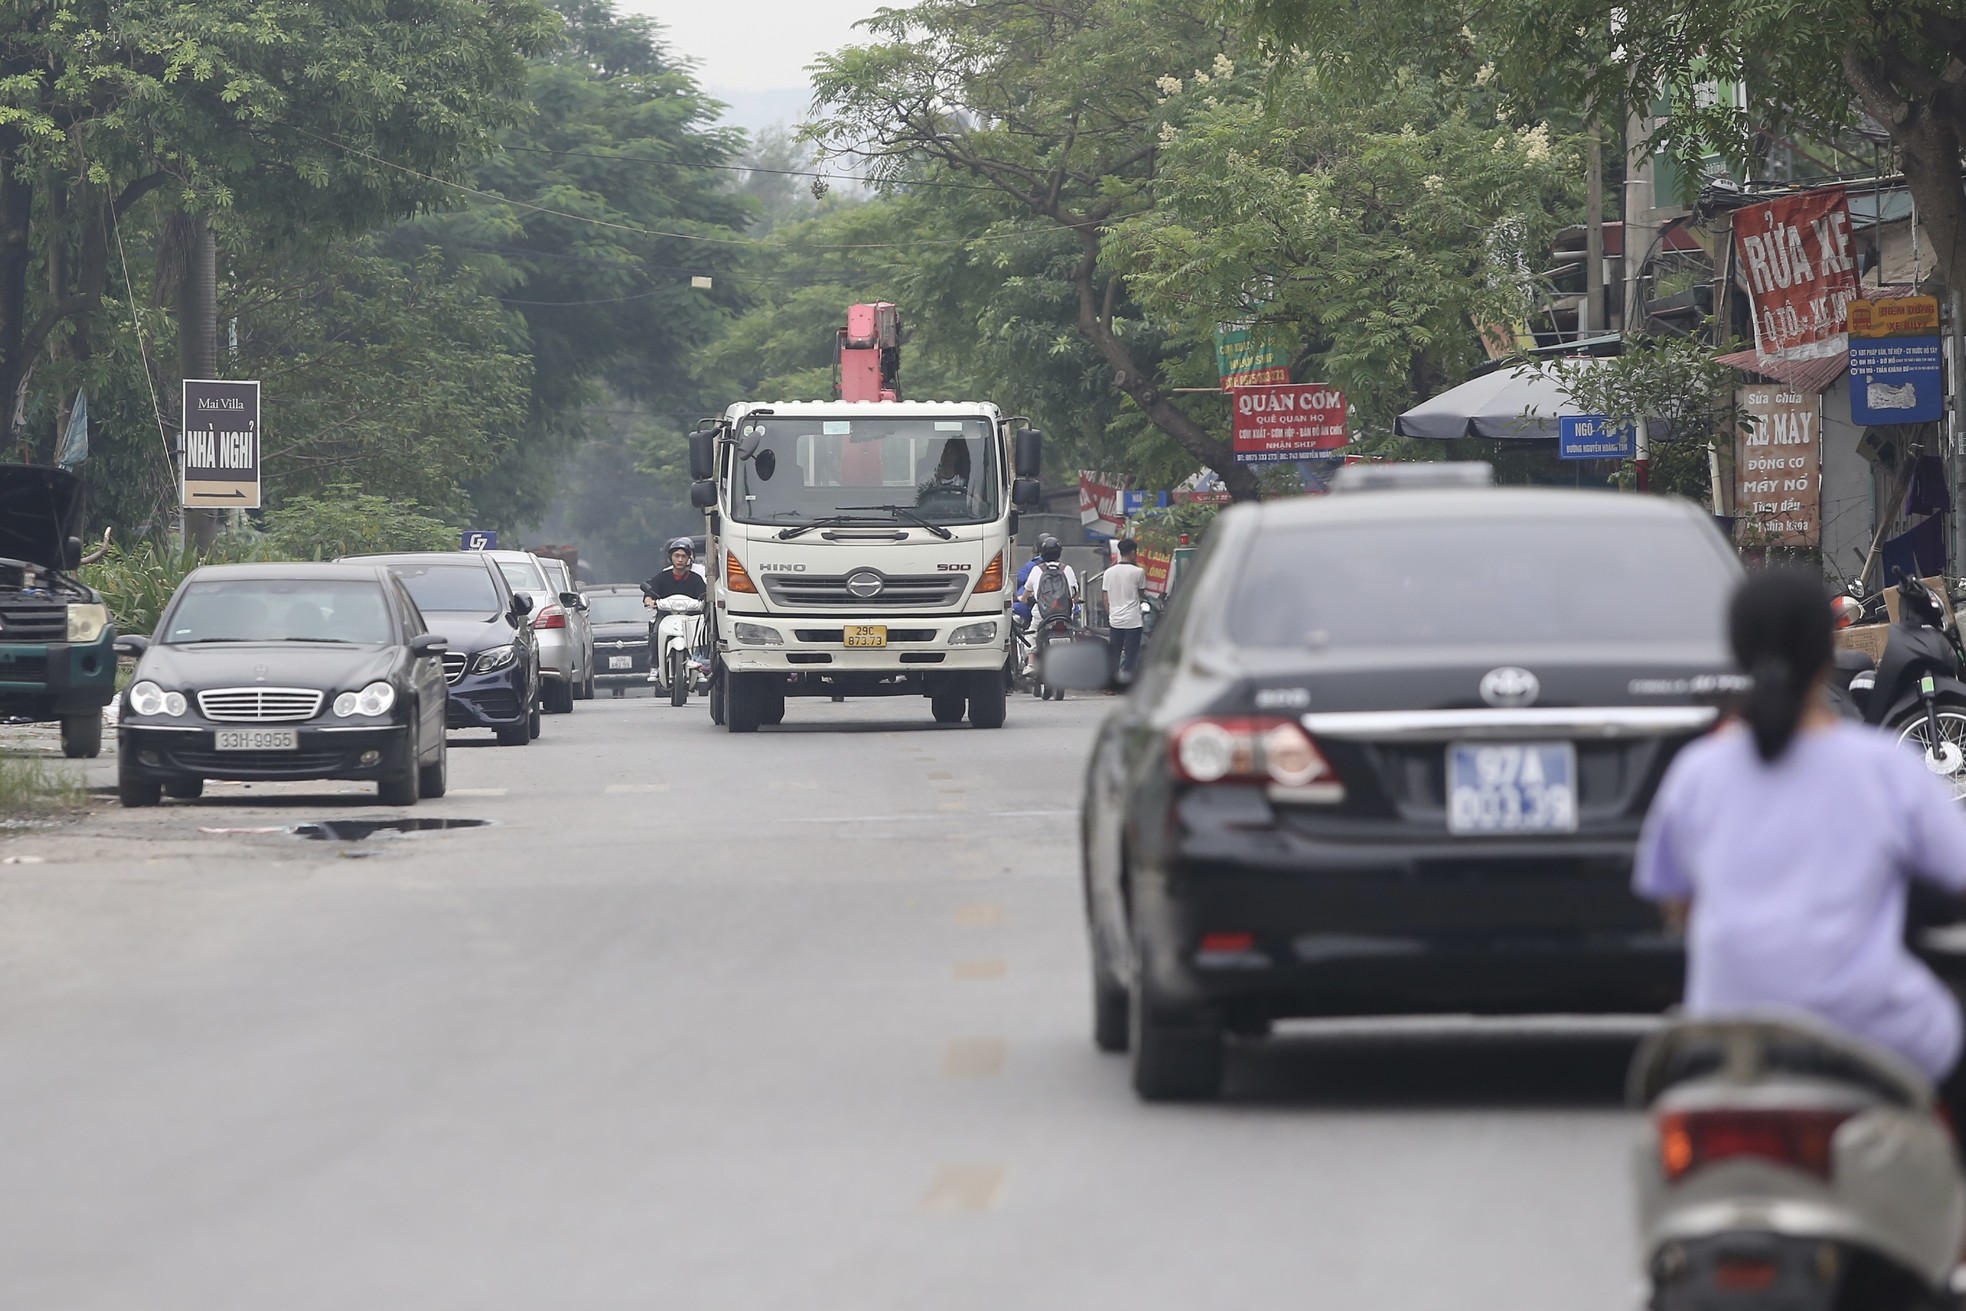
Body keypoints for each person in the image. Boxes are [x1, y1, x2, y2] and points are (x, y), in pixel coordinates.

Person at [1634, 568, 1966, 1142]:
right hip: (1877, 1038)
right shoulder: (1884, 769)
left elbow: (1676, 907)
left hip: (1726, 1041)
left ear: (1735, 653)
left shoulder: (1698, 774)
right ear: (1827, 654)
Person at [643, 538, 706, 683]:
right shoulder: (662, 577)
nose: (680, 560)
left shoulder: (696, 579)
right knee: (655, 631)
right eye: (676, 556)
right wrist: (649, 600)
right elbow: (650, 593)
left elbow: (703, 594)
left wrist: (705, 601)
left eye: (684, 556)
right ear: (670, 558)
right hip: (665, 616)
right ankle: (654, 666)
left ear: (689, 558)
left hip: (691, 617)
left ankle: (700, 667)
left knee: (702, 633)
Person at [1017, 534, 1080, 674]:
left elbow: (1027, 592)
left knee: (1031, 634)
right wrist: (1073, 602)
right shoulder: (1067, 569)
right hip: (1064, 613)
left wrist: (1022, 599)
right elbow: (1075, 594)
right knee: (1071, 633)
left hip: (1042, 613)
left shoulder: (1036, 569)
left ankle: (1031, 664)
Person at [1103, 539, 1147, 684]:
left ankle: (1112, 683)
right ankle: (1127, 681)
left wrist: (1111, 614)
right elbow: (1141, 595)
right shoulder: (1138, 572)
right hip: (1133, 620)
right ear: (1133, 552)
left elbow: (1105, 597)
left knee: (1115, 653)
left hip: (1115, 620)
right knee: (1131, 654)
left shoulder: (1109, 572)